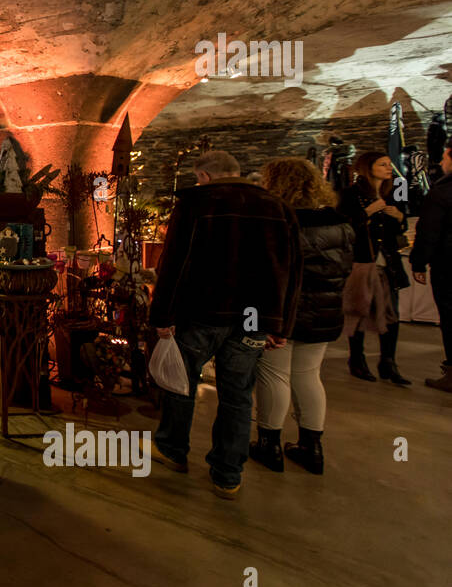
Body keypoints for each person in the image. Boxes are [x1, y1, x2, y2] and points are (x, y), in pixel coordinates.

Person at [149, 150, 302, 499]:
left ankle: (172, 449)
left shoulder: (197, 203)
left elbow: (173, 262)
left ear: (203, 175)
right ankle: (227, 473)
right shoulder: (277, 207)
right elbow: (291, 271)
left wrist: (161, 316)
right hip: (253, 317)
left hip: (203, 310)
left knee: (180, 382)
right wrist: (282, 324)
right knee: (238, 395)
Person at [251, 158, 354, 475]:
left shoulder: (278, 221)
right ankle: (312, 447)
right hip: (325, 308)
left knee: (274, 376)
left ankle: (269, 445)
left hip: (285, 310)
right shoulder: (340, 223)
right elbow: (346, 267)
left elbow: (269, 273)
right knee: (309, 376)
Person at [340, 152, 409, 384]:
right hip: (362, 261)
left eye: (389, 164)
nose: (389, 168)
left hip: (388, 262)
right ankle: (357, 359)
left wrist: (399, 217)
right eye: (383, 164)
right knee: (359, 311)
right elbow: (343, 226)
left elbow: (402, 224)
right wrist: (367, 213)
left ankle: (388, 361)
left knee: (391, 312)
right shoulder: (351, 194)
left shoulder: (397, 190)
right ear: (368, 168)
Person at [411, 143, 452, 391]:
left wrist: (418, 262)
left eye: (444, 157)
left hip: (448, 265)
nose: (440, 163)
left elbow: (429, 231)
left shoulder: (442, 192)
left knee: (450, 317)